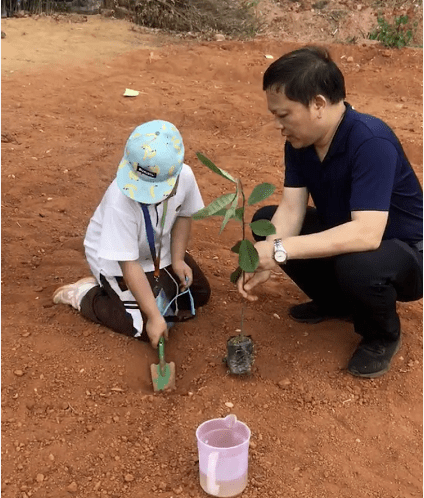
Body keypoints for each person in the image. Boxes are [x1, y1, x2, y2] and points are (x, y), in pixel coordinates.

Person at [238, 46, 423, 378]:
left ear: (318, 104)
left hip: (406, 254)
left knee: (358, 263)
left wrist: (280, 250)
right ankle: (337, 304)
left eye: (283, 114)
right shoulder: (300, 144)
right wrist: (266, 256)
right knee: (266, 222)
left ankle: (381, 335)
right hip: (352, 236)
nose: (278, 125)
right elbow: (291, 210)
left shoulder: (370, 141)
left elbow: (366, 233)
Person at [53, 120, 211, 348]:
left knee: (199, 294)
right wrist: (155, 318)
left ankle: (139, 294)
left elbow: (184, 216)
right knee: (143, 325)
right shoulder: (120, 200)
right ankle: (84, 295)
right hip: (118, 261)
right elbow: (129, 265)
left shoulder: (184, 176)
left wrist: (177, 260)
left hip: (157, 251)